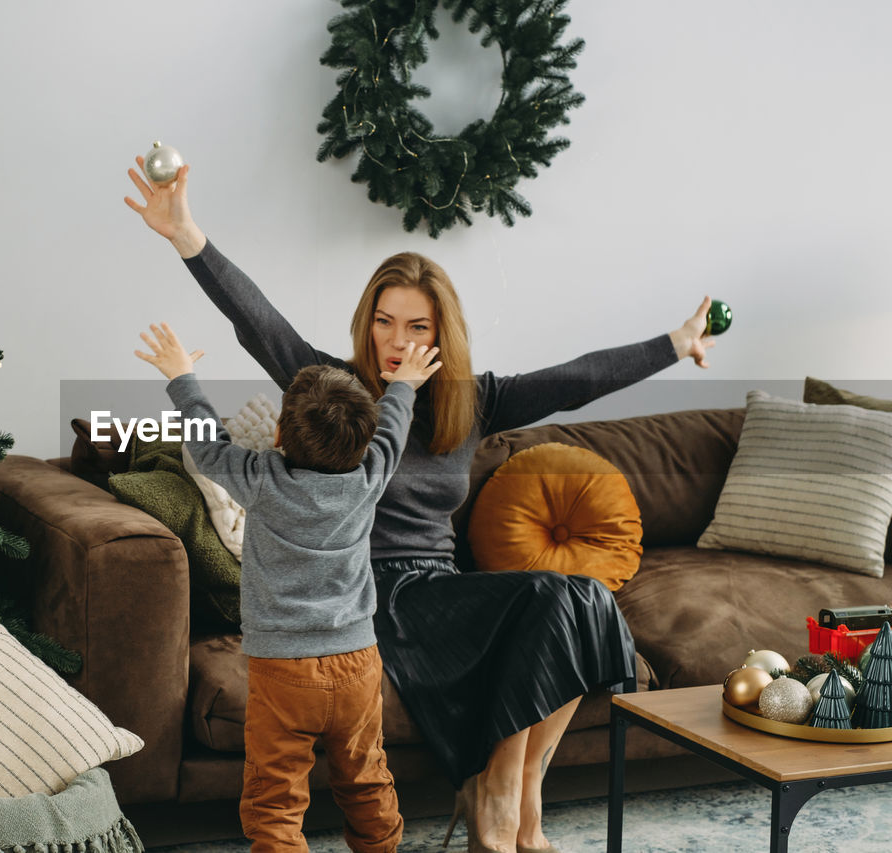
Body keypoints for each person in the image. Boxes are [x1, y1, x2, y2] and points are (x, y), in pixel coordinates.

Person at [125, 162, 715, 853]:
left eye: (415, 325)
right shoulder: (336, 395)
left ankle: (520, 797)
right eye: (383, 321)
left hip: (441, 587)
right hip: (376, 597)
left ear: (442, 333)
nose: (397, 340)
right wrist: (186, 234)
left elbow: (576, 380)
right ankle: (498, 800)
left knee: (584, 600)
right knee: (561, 600)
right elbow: (258, 322)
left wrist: (675, 344)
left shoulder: (473, 400)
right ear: (366, 325)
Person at [134, 321, 442, 853]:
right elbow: (393, 428)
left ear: (279, 435)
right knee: (366, 776)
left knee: (275, 796)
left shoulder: (261, 480)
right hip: (357, 663)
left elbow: (208, 446)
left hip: (282, 671)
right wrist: (404, 385)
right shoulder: (371, 476)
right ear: (363, 442)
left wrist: (182, 376)